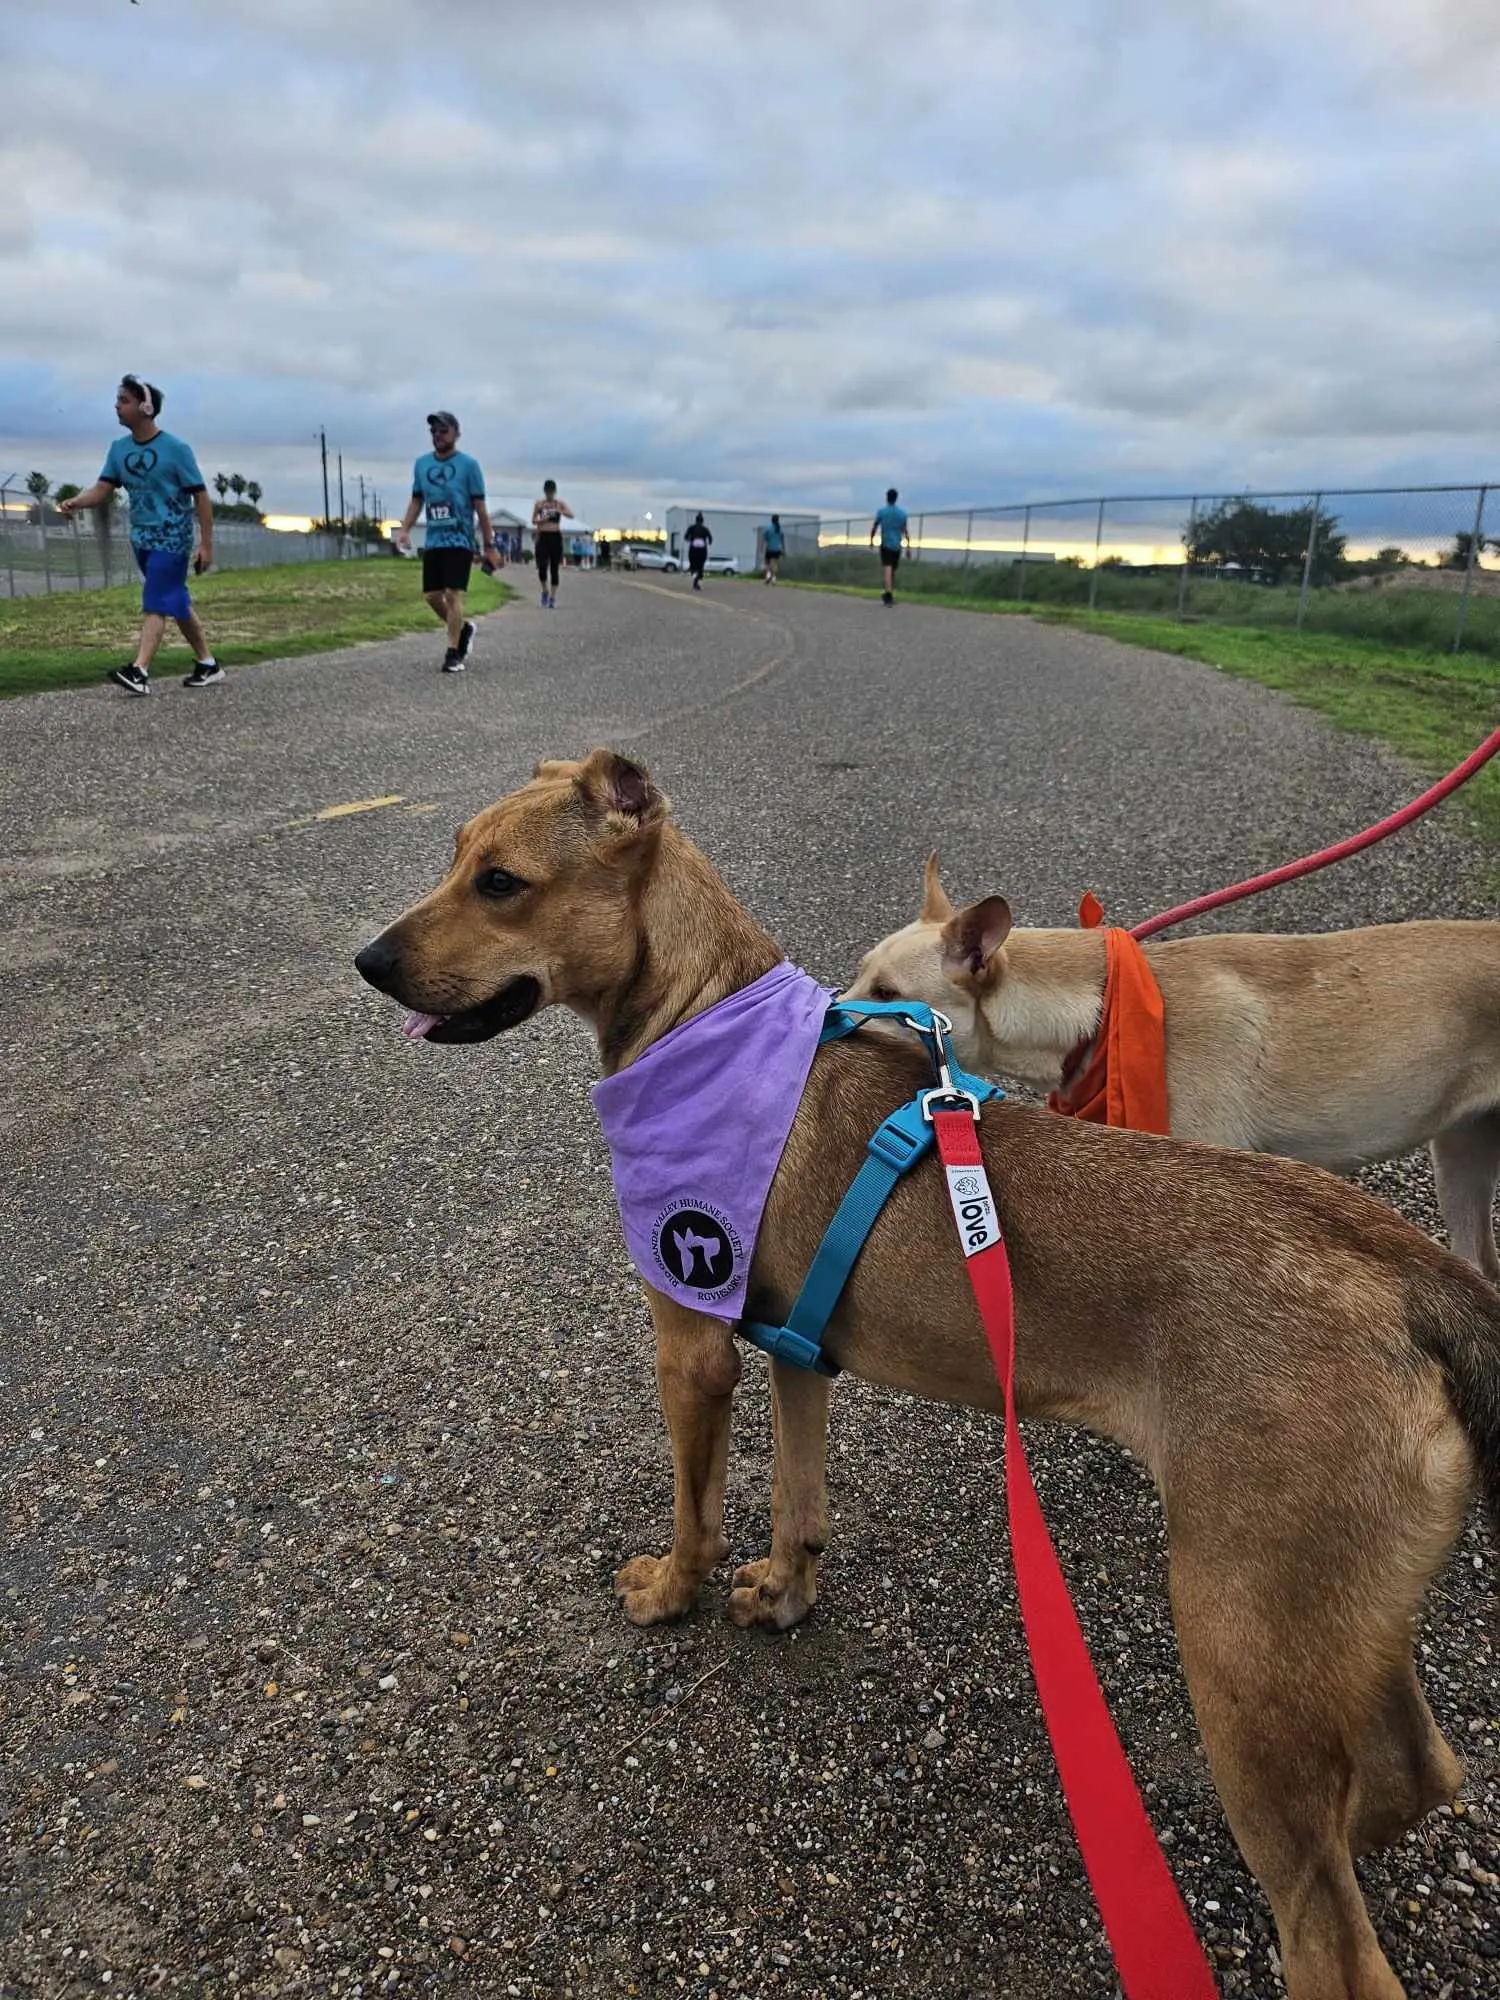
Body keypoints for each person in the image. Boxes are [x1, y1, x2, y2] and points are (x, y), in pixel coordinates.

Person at [59, 375, 222, 695]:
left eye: (124, 401)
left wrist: (205, 544)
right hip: (142, 540)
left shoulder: (176, 449)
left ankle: (139, 671)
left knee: (155, 602)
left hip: (172, 539)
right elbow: (103, 488)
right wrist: (78, 502)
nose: (117, 406)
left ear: (146, 407)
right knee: (174, 600)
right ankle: (208, 664)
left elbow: (201, 497)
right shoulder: (118, 449)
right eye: (117, 400)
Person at [395, 412, 500, 673]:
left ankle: (453, 653)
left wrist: (489, 545)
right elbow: (417, 500)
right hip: (434, 540)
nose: (438, 436)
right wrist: (405, 529)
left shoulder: (469, 466)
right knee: (432, 596)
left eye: (443, 431)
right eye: (434, 432)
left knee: (453, 594)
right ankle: (463, 629)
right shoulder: (421, 465)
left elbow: (481, 508)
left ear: (456, 433)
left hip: (460, 539)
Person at [531, 479, 573, 609]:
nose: (550, 495)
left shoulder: (559, 504)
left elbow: (571, 515)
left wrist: (560, 511)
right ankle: (545, 590)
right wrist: (541, 519)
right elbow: (533, 520)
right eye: (548, 492)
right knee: (542, 566)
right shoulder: (539, 504)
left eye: (552, 492)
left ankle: (552, 597)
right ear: (545, 491)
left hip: (555, 536)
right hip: (543, 536)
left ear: (555, 492)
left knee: (554, 568)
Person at [869, 487, 911, 606]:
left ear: (887, 497)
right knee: (891, 569)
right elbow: (905, 530)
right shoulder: (902, 514)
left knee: (888, 568)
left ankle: (888, 594)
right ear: (896, 498)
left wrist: (871, 540)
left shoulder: (882, 512)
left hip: (886, 543)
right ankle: (889, 592)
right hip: (897, 545)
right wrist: (908, 546)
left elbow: (875, 526)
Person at [684, 510, 712, 590]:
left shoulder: (691, 528)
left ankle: (694, 575)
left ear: (696, 520)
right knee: (700, 566)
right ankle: (697, 582)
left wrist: (690, 540)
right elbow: (710, 538)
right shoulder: (705, 529)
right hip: (702, 549)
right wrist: (709, 542)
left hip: (693, 548)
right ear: (702, 521)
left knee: (693, 564)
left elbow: (686, 537)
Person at [762, 512, 784, 584]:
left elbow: (765, 538)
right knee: (775, 564)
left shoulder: (768, 528)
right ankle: (774, 578)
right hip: (777, 549)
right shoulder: (779, 529)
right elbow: (781, 539)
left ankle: (768, 575)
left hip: (770, 548)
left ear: (771, 520)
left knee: (767, 563)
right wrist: (783, 548)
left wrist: (762, 547)